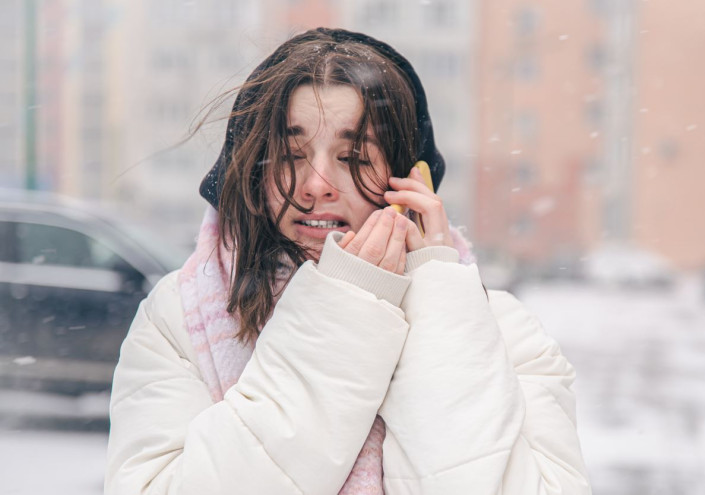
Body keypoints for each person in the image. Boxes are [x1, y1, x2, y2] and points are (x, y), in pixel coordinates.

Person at [104, 28, 590, 494]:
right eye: (291, 154)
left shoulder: (502, 331)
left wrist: (437, 294)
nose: (317, 184)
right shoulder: (177, 321)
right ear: (251, 174)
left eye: (355, 157)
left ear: (409, 182)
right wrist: (344, 312)